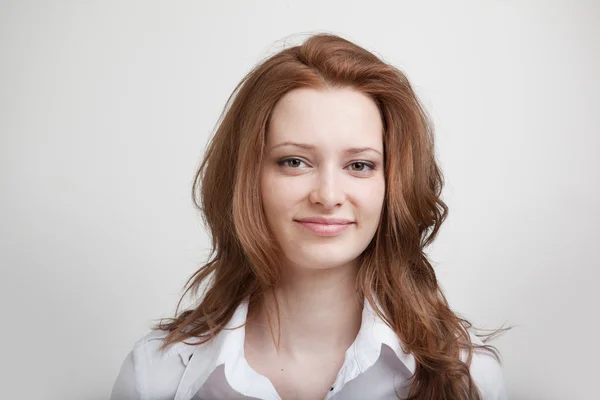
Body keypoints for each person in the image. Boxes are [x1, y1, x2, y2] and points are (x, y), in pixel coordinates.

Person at [110, 33, 509, 400]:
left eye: (360, 165)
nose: (328, 196)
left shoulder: (466, 377)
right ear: (247, 177)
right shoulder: (156, 377)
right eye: (295, 161)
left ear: (393, 185)